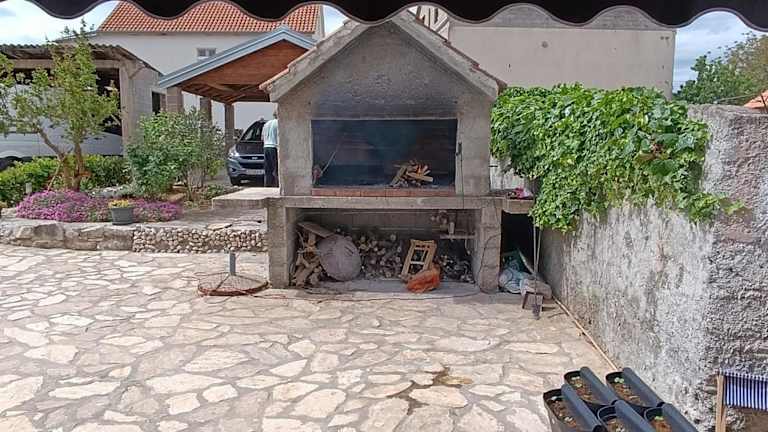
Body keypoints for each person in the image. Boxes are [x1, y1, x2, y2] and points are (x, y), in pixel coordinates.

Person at [262, 111, 279, 187]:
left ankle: (267, 186)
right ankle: (277, 185)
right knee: (276, 169)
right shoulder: (279, 123)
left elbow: (262, 138)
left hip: (266, 147)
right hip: (274, 147)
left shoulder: (266, 124)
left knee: (267, 169)